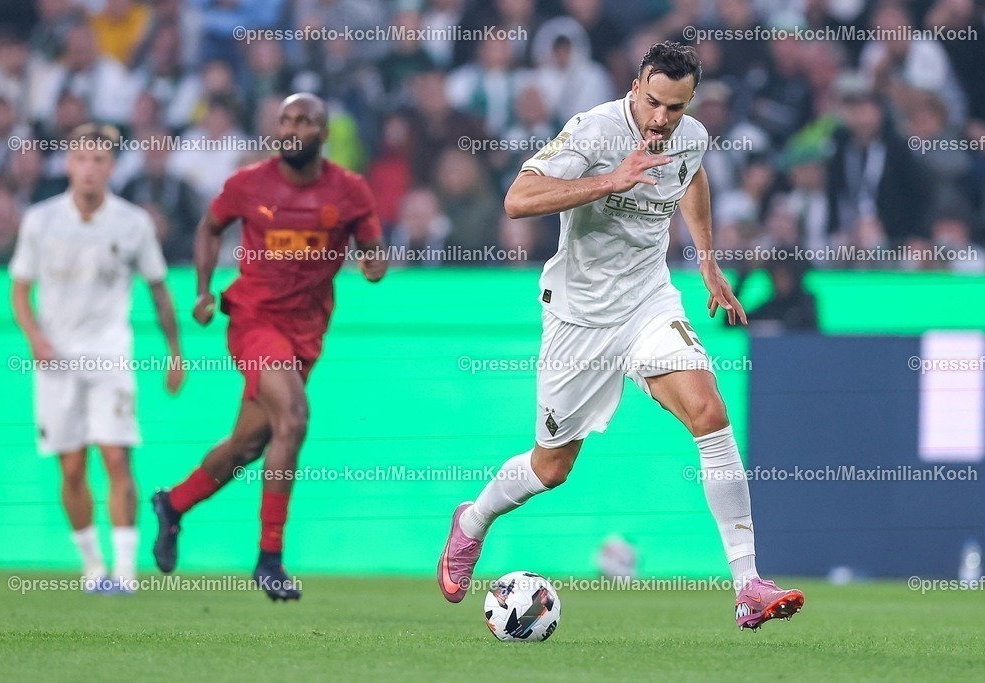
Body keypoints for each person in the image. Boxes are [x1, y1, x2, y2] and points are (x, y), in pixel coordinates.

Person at [438, 42, 805, 631]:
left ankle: (747, 586)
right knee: (551, 468)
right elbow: (517, 199)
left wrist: (708, 262)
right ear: (636, 86)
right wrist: (610, 180)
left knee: (709, 410)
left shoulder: (690, 135)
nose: (662, 119)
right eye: (655, 102)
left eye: (676, 107)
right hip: (579, 318)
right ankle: (472, 521)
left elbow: (692, 177)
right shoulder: (592, 131)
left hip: (647, 303)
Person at [151, 93, 388, 601]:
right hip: (254, 321)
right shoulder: (248, 183)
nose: (294, 127)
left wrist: (374, 264)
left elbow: (373, 246)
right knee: (295, 419)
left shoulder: (349, 190)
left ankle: (173, 504)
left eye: (306, 120)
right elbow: (209, 227)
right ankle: (269, 558)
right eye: (287, 119)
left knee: (248, 445)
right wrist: (201, 290)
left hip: (307, 329)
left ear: (323, 134)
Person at [8, 123, 184, 593]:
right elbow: (20, 290)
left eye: (100, 160)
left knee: (116, 457)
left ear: (110, 167)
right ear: (68, 163)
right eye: (82, 159)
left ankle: (125, 572)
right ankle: (93, 567)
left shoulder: (133, 223)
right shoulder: (41, 221)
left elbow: (159, 291)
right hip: (56, 360)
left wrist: (175, 352)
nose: (90, 168)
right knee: (70, 467)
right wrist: (34, 337)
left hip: (111, 355)